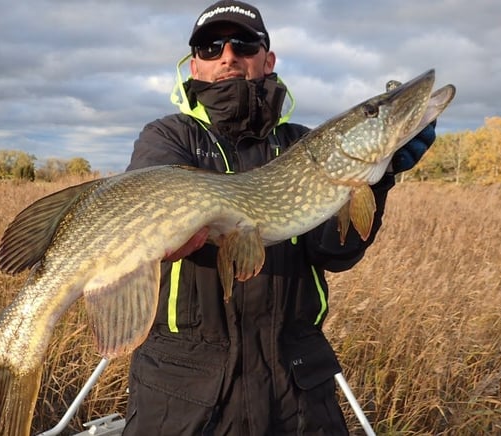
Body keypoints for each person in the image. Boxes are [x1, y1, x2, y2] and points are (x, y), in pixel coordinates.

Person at [122, 1, 436, 435]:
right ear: (195, 66)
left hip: (296, 388)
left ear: (267, 60)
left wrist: (379, 179)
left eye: (244, 44)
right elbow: (148, 208)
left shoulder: (301, 145)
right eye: (212, 48)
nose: (228, 56)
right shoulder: (170, 137)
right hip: (184, 393)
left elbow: (336, 251)